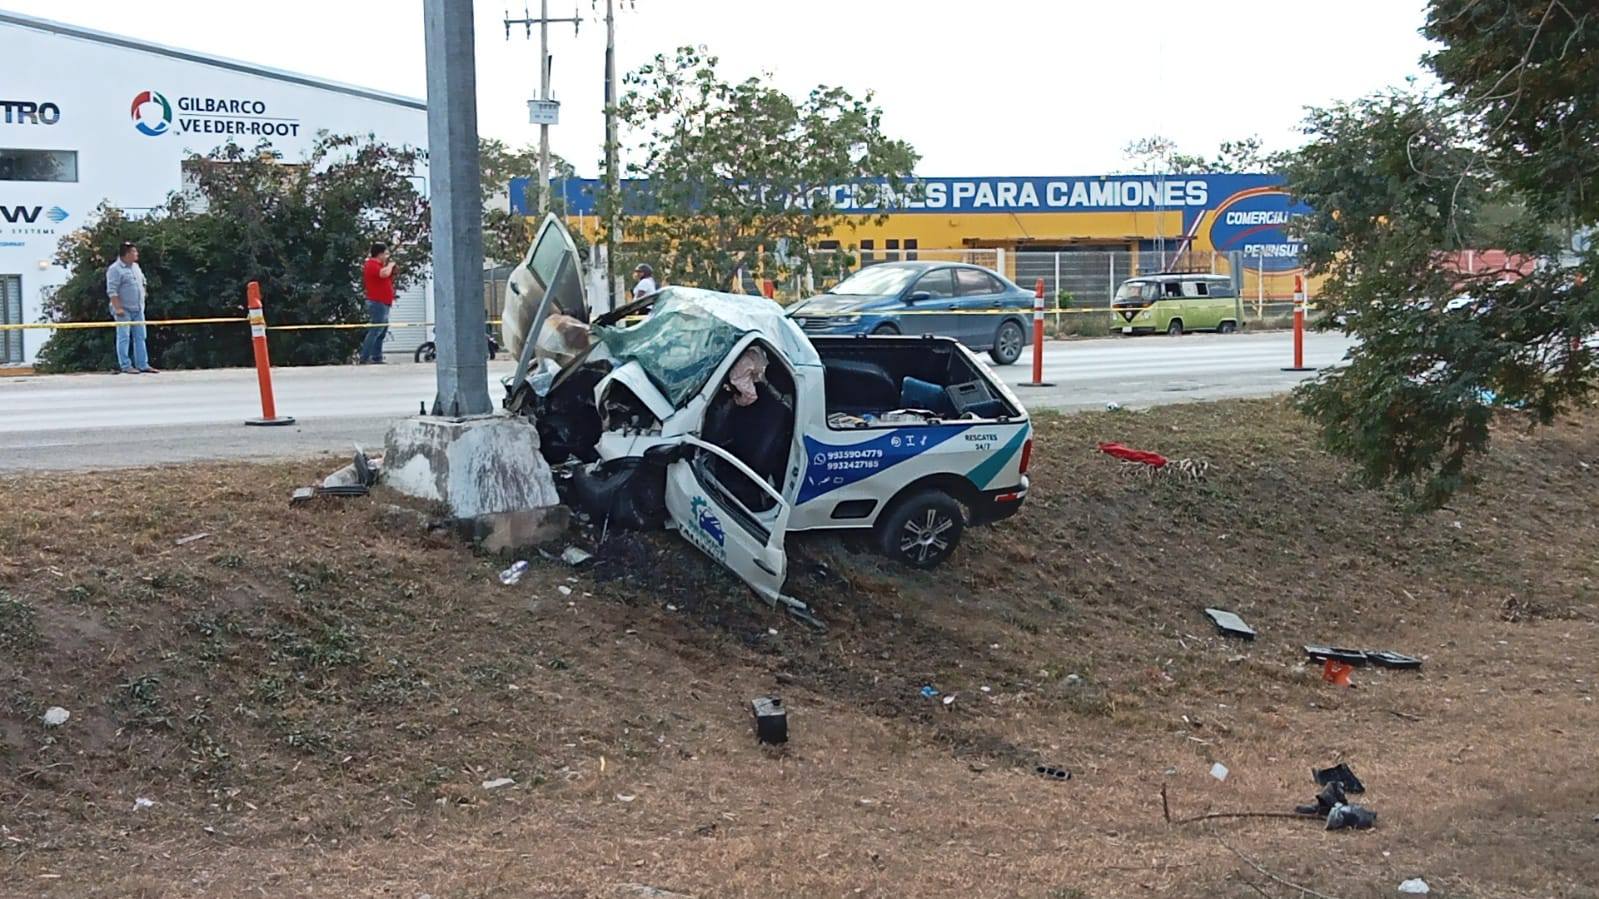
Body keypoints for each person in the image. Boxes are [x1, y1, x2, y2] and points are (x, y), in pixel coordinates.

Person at [106, 241, 157, 374]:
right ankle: (125, 365)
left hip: (138, 308)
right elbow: (112, 291)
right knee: (124, 337)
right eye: (134, 252)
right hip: (124, 309)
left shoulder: (136, 267)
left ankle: (142, 364)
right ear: (127, 254)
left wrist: (144, 294)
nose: (136, 254)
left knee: (141, 336)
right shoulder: (115, 269)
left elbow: (143, 282)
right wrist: (118, 308)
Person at [360, 242, 397, 364]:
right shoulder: (372, 264)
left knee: (382, 331)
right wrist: (391, 265)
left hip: (384, 302)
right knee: (376, 330)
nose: (387, 256)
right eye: (385, 254)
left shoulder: (380, 265)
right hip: (377, 302)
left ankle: (377, 356)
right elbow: (384, 274)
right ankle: (365, 358)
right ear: (380, 254)